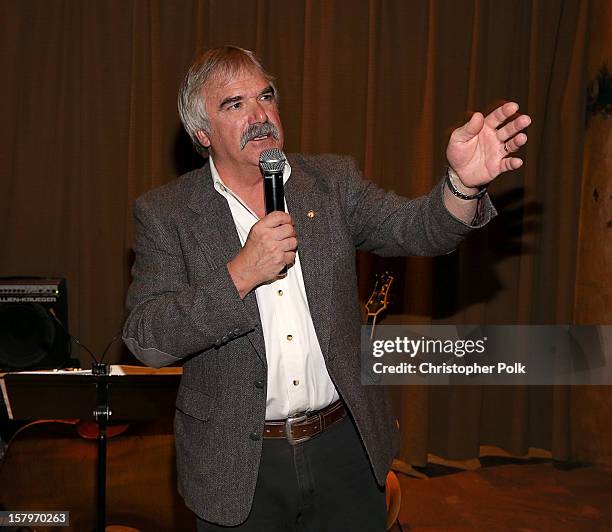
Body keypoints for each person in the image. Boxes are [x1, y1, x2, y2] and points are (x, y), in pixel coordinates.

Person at [122, 45, 531, 531]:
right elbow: (147, 338)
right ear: (202, 133)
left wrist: (463, 185)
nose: (260, 115)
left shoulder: (331, 182)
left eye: (266, 96)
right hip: (236, 464)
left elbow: (417, 229)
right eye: (235, 104)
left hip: (344, 447)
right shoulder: (167, 213)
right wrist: (240, 274)